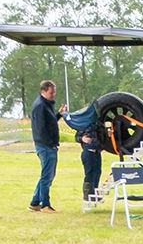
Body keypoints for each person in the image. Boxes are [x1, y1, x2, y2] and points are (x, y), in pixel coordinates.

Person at [28, 79, 68, 212]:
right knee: (47, 176)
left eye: (54, 92)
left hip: (48, 146)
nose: (53, 95)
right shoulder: (40, 106)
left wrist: (59, 115)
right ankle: (45, 204)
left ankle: (34, 203)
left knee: (47, 175)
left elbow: (50, 122)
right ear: (43, 91)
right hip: (45, 146)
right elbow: (40, 129)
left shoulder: (46, 105)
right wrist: (50, 144)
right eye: (51, 92)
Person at [77, 118, 102, 201]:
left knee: (97, 172)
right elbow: (77, 137)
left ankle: (94, 192)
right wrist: (82, 139)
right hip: (88, 152)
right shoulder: (83, 124)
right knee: (89, 173)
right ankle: (87, 194)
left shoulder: (98, 124)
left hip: (97, 152)